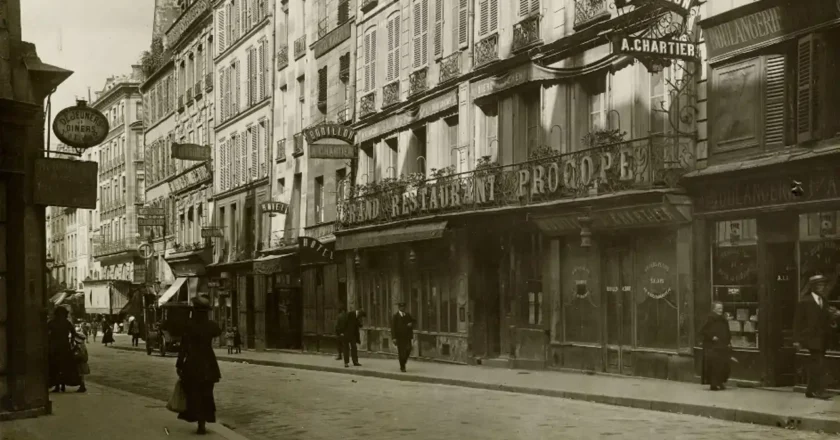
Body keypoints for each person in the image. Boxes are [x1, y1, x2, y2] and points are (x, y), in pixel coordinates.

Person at [176, 295, 222, 435]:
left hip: (193, 363)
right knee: (207, 393)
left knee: (194, 393)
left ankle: (198, 421)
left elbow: (183, 347)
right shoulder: (211, 325)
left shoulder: (189, 325)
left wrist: (179, 364)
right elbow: (218, 331)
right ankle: (203, 422)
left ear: (194, 310)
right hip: (208, 362)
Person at [794, 274, 836, 400]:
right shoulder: (805, 301)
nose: (822, 287)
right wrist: (796, 340)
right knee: (818, 364)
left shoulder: (824, 300)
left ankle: (811, 391)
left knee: (817, 364)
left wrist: (833, 319)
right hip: (811, 338)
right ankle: (819, 391)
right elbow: (797, 322)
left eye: (823, 285)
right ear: (813, 287)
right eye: (819, 285)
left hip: (823, 338)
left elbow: (826, 318)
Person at [701, 301, 731, 391]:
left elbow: (727, 331)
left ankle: (720, 382)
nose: (720, 310)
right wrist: (712, 336)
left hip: (722, 345)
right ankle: (713, 384)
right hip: (712, 346)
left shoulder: (723, 319)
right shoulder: (709, 319)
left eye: (721, 308)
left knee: (723, 365)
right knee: (714, 365)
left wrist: (728, 341)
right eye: (718, 308)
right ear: (714, 309)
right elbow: (703, 330)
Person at [47, 306, 79, 393]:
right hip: (65, 347)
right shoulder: (66, 323)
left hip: (54, 347)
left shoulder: (52, 322)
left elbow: (45, 332)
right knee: (65, 366)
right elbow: (73, 332)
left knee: (55, 366)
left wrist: (49, 340)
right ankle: (63, 385)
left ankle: (57, 385)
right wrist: (71, 341)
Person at [391, 302, 416, 372]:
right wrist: (394, 338)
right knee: (401, 352)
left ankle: (403, 362)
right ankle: (402, 367)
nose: (403, 308)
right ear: (399, 308)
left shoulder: (407, 315)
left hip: (407, 337)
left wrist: (411, 323)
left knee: (408, 349)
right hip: (399, 337)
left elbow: (414, 321)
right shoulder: (395, 316)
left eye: (404, 307)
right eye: (401, 307)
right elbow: (393, 328)